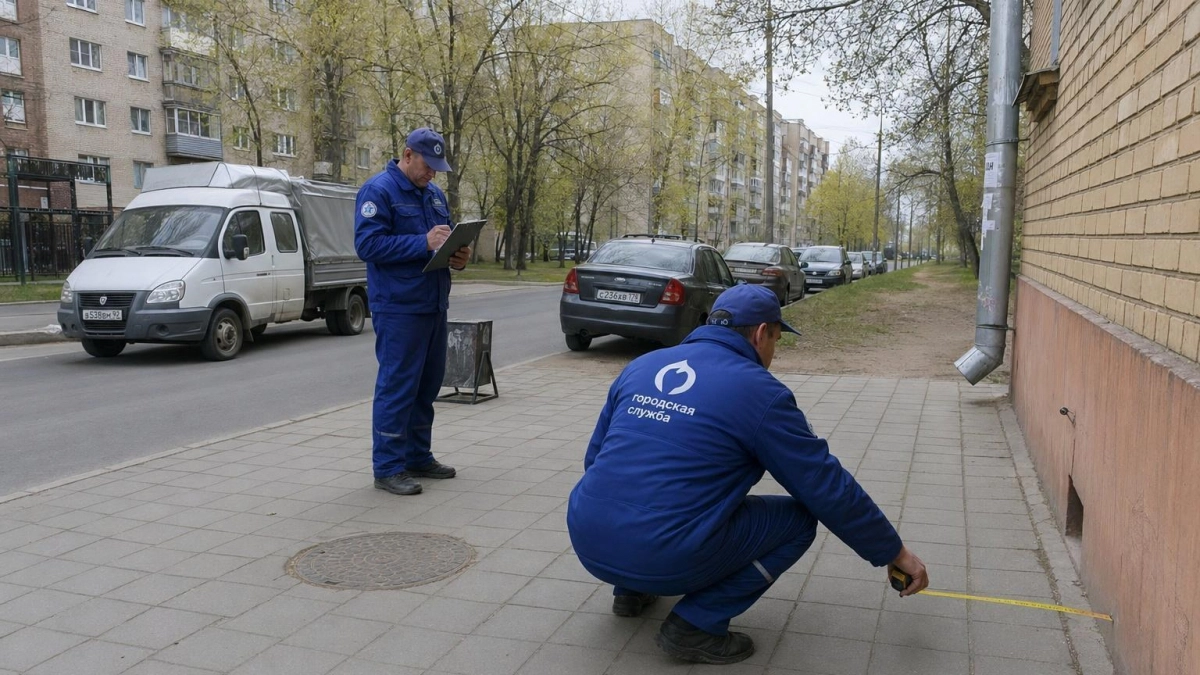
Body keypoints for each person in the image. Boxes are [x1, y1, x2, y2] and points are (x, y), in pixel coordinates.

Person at [566, 284, 929, 665]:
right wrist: (893, 551)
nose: (773, 351)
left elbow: (596, 458)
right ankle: (695, 625)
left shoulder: (642, 365)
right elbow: (825, 486)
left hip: (588, 537)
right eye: (776, 339)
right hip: (663, 551)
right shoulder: (760, 393)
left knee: (647, 486)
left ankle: (629, 589)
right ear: (761, 333)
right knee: (799, 521)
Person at [354, 128, 471, 496]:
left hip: (433, 303)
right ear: (407, 155)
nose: (433, 173)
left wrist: (458, 256)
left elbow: (442, 243)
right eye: (427, 165)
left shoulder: (434, 195)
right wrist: (422, 241)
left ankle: (418, 455)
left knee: (427, 385)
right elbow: (367, 244)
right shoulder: (378, 191)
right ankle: (388, 467)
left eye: (438, 167)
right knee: (397, 386)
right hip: (399, 307)